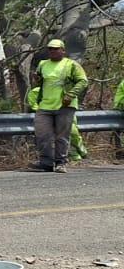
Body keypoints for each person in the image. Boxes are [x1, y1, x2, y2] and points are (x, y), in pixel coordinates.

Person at [26, 39, 87, 174]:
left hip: (64, 106)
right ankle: (46, 163)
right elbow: (40, 83)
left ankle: (61, 163)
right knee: (42, 134)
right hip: (45, 105)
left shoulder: (71, 64)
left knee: (62, 136)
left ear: (63, 50)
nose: (52, 51)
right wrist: (38, 80)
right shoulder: (43, 64)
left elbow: (83, 81)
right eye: (50, 49)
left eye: (55, 49)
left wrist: (71, 94)